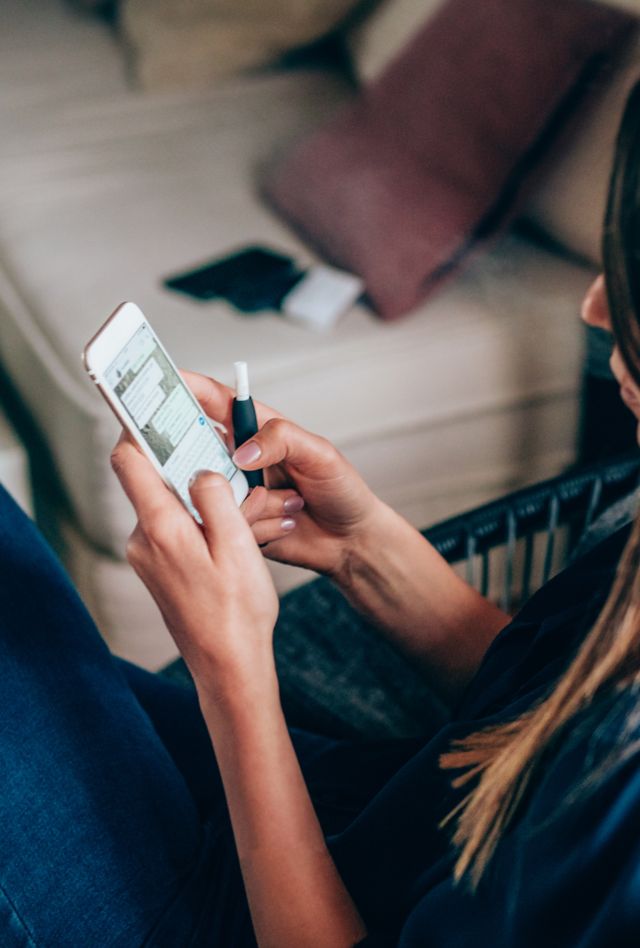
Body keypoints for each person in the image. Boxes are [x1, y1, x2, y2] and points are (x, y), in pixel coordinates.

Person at [4, 84, 640, 948]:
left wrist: (232, 670)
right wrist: (360, 545)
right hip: (368, 817)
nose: (596, 308)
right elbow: (544, 707)